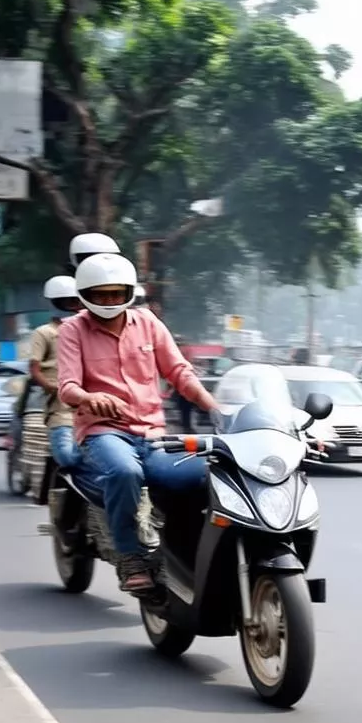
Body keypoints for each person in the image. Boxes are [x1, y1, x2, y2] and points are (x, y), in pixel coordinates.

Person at [57, 252, 220, 593]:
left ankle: (184, 553)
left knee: (201, 475)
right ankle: (130, 557)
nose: (109, 300)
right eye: (100, 294)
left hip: (153, 432)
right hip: (103, 432)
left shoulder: (148, 323)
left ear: (128, 291)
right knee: (124, 472)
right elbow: (67, 387)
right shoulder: (73, 330)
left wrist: (214, 407)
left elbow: (178, 371)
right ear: (85, 295)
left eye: (116, 293)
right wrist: (90, 398)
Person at [29, 276, 83, 468]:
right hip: (62, 412)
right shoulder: (44, 333)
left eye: (75, 300)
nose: (73, 305)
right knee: (68, 459)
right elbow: (34, 369)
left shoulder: (87, 330)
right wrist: (54, 388)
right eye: (68, 301)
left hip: (92, 411)